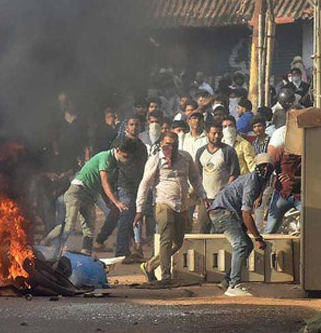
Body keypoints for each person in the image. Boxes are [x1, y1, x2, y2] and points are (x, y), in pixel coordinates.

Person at [136, 131, 208, 282]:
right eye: (167, 144)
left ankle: (150, 265)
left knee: (178, 243)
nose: (171, 147)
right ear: (161, 144)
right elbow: (144, 184)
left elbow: (194, 179)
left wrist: (203, 196)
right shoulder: (155, 160)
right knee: (166, 239)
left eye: (174, 144)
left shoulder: (185, 157)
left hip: (182, 204)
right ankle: (165, 275)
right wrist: (139, 210)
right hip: (164, 203)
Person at [45, 139, 135, 256]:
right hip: (77, 191)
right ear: (118, 150)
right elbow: (104, 182)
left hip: (89, 195)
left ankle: (86, 254)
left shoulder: (114, 163)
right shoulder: (106, 157)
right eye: (125, 156)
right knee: (70, 224)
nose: (126, 159)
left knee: (89, 228)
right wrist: (116, 202)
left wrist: (108, 202)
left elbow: (100, 184)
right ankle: (48, 243)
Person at [207, 153, 273, 297]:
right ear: (256, 167)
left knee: (246, 245)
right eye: (263, 166)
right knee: (241, 244)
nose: (266, 169)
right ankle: (234, 285)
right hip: (222, 212)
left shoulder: (262, 181)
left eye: (269, 166)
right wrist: (258, 237)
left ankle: (227, 280)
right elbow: (246, 213)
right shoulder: (252, 180)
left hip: (227, 212)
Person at [96, 117, 148, 259]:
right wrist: (110, 191)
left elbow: (144, 167)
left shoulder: (142, 147)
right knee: (126, 219)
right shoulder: (119, 144)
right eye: (131, 124)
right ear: (126, 127)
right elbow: (111, 168)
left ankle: (129, 247)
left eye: (137, 124)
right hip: (123, 186)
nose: (134, 127)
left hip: (138, 186)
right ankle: (121, 252)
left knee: (125, 216)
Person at [194, 123, 240, 234]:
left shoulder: (228, 151)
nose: (216, 136)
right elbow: (197, 175)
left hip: (222, 200)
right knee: (202, 229)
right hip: (206, 199)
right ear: (207, 134)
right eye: (213, 133)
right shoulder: (201, 152)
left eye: (219, 133)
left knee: (222, 230)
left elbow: (234, 174)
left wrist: (224, 193)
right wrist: (201, 196)